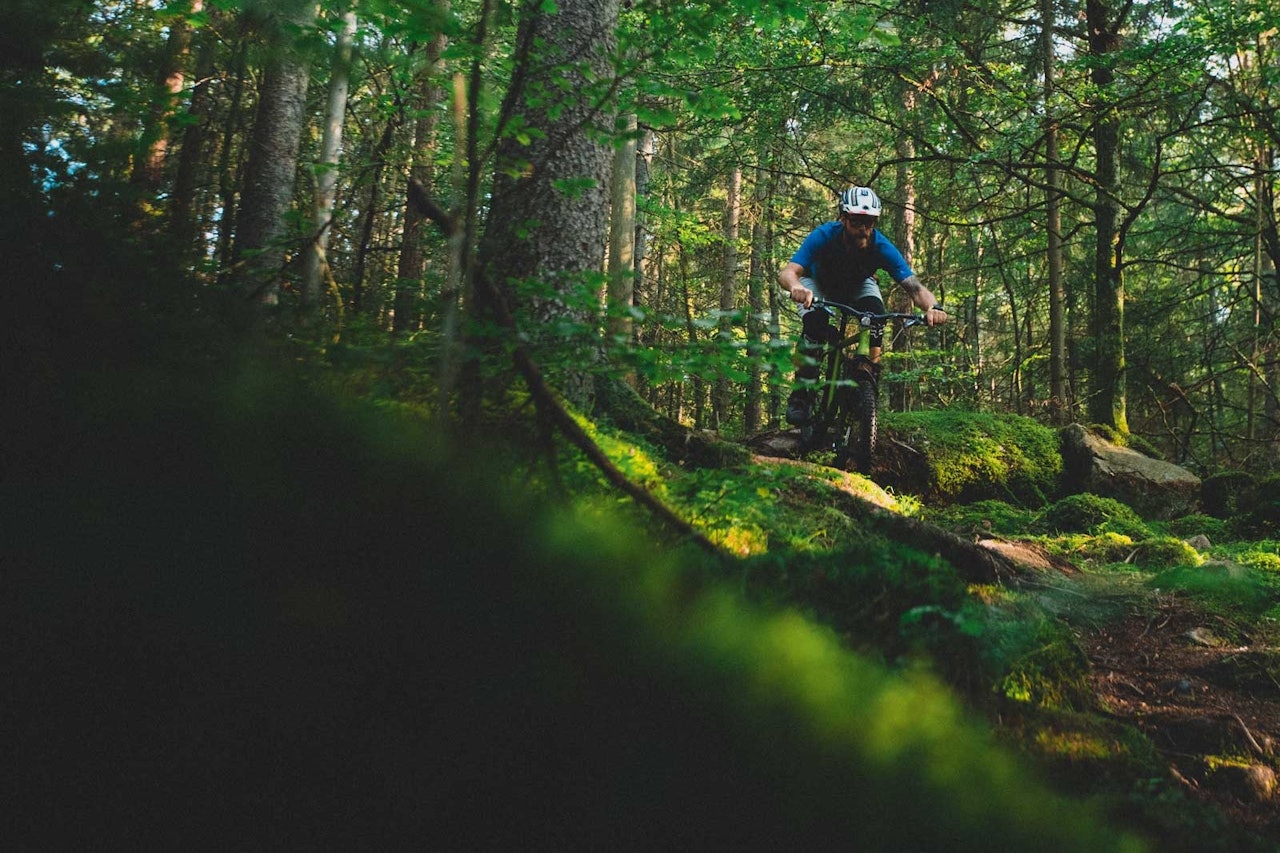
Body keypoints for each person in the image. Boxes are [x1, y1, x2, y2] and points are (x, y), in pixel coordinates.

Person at [778, 186, 948, 426]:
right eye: (857, 222)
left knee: (877, 318)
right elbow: (788, 272)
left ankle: (867, 382)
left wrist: (934, 307)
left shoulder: (881, 246)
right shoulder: (824, 235)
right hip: (816, 282)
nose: (864, 230)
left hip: (858, 283)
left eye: (870, 223)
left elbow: (914, 288)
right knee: (815, 324)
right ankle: (801, 394)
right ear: (844, 218)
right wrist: (797, 287)